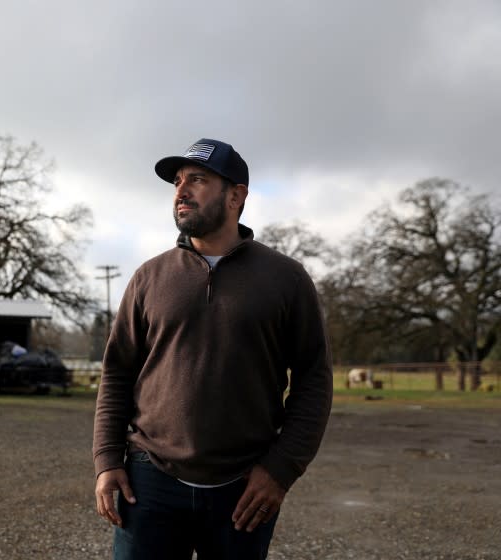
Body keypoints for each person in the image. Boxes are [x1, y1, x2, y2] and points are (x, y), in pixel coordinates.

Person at [92, 138, 333, 559]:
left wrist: (279, 471)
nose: (181, 191)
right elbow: (117, 372)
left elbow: (313, 380)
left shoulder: (286, 279)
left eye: (198, 180)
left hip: (243, 490)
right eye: (177, 182)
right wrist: (107, 460)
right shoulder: (149, 277)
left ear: (236, 195)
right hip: (150, 483)